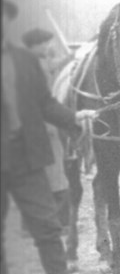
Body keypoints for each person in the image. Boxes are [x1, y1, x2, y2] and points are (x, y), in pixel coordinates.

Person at [1, 0, 95, 274]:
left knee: (47, 226)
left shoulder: (26, 60)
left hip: (26, 157)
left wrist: (74, 117)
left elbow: (44, 104)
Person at [21, 29, 71, 234]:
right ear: (35, 45)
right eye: (45, 43)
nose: (48, 47)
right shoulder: (31, 66)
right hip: (42, 126)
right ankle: (59, 224)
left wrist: (70, 58)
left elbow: (53, 65)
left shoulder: (30, 62)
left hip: (37, 126)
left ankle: (31, 225)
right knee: (56, 177)